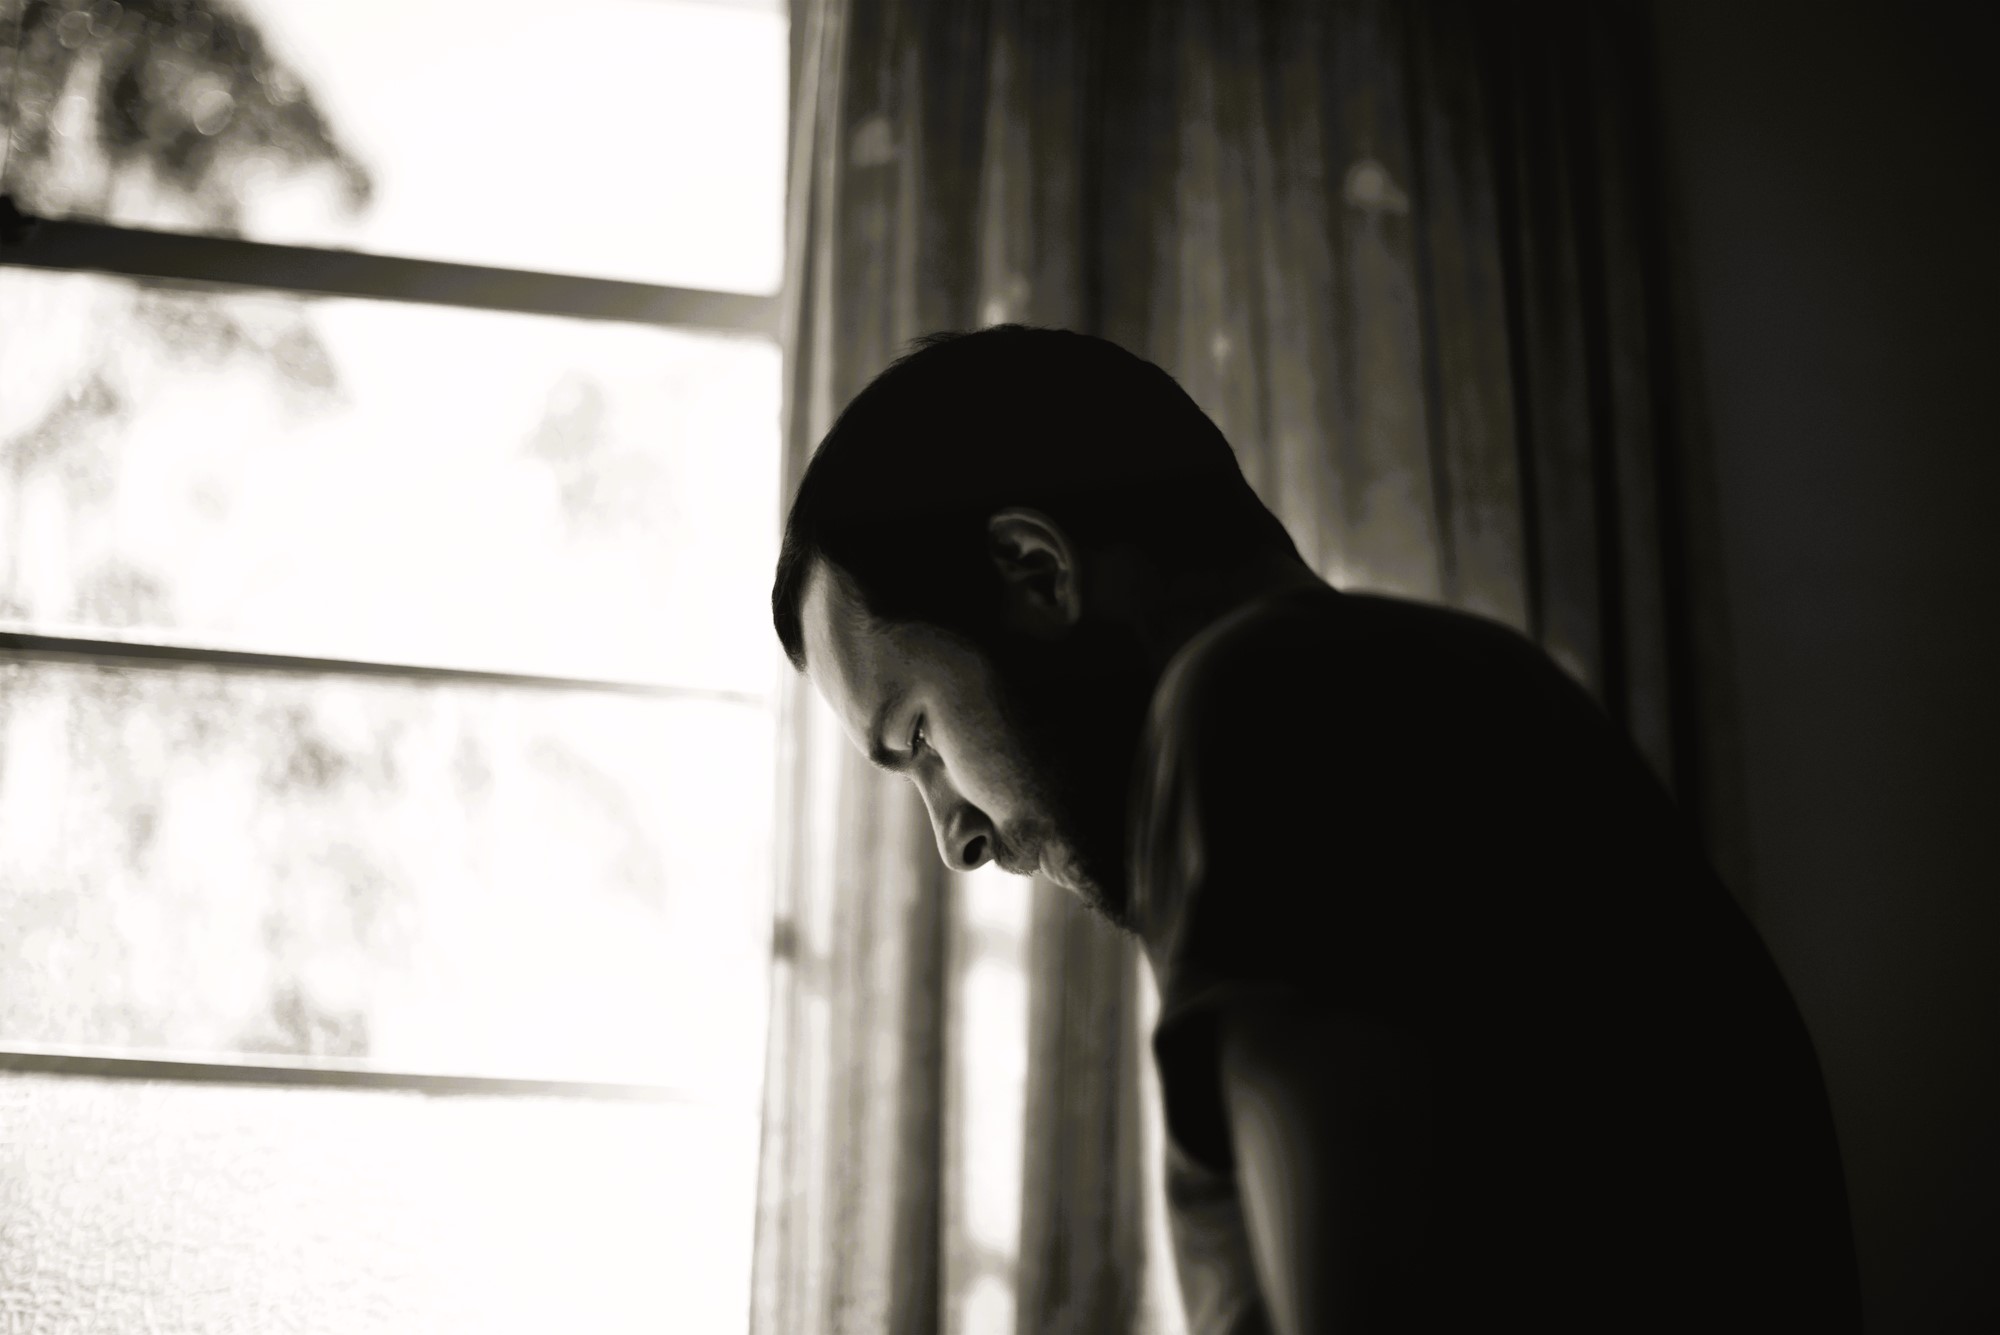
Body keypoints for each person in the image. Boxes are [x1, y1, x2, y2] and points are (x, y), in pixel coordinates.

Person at [770, 324, 1862, 1333]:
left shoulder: (1255, 707)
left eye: (916, 738)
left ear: (1035, 573)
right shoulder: (1458, 698)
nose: (952, 838)